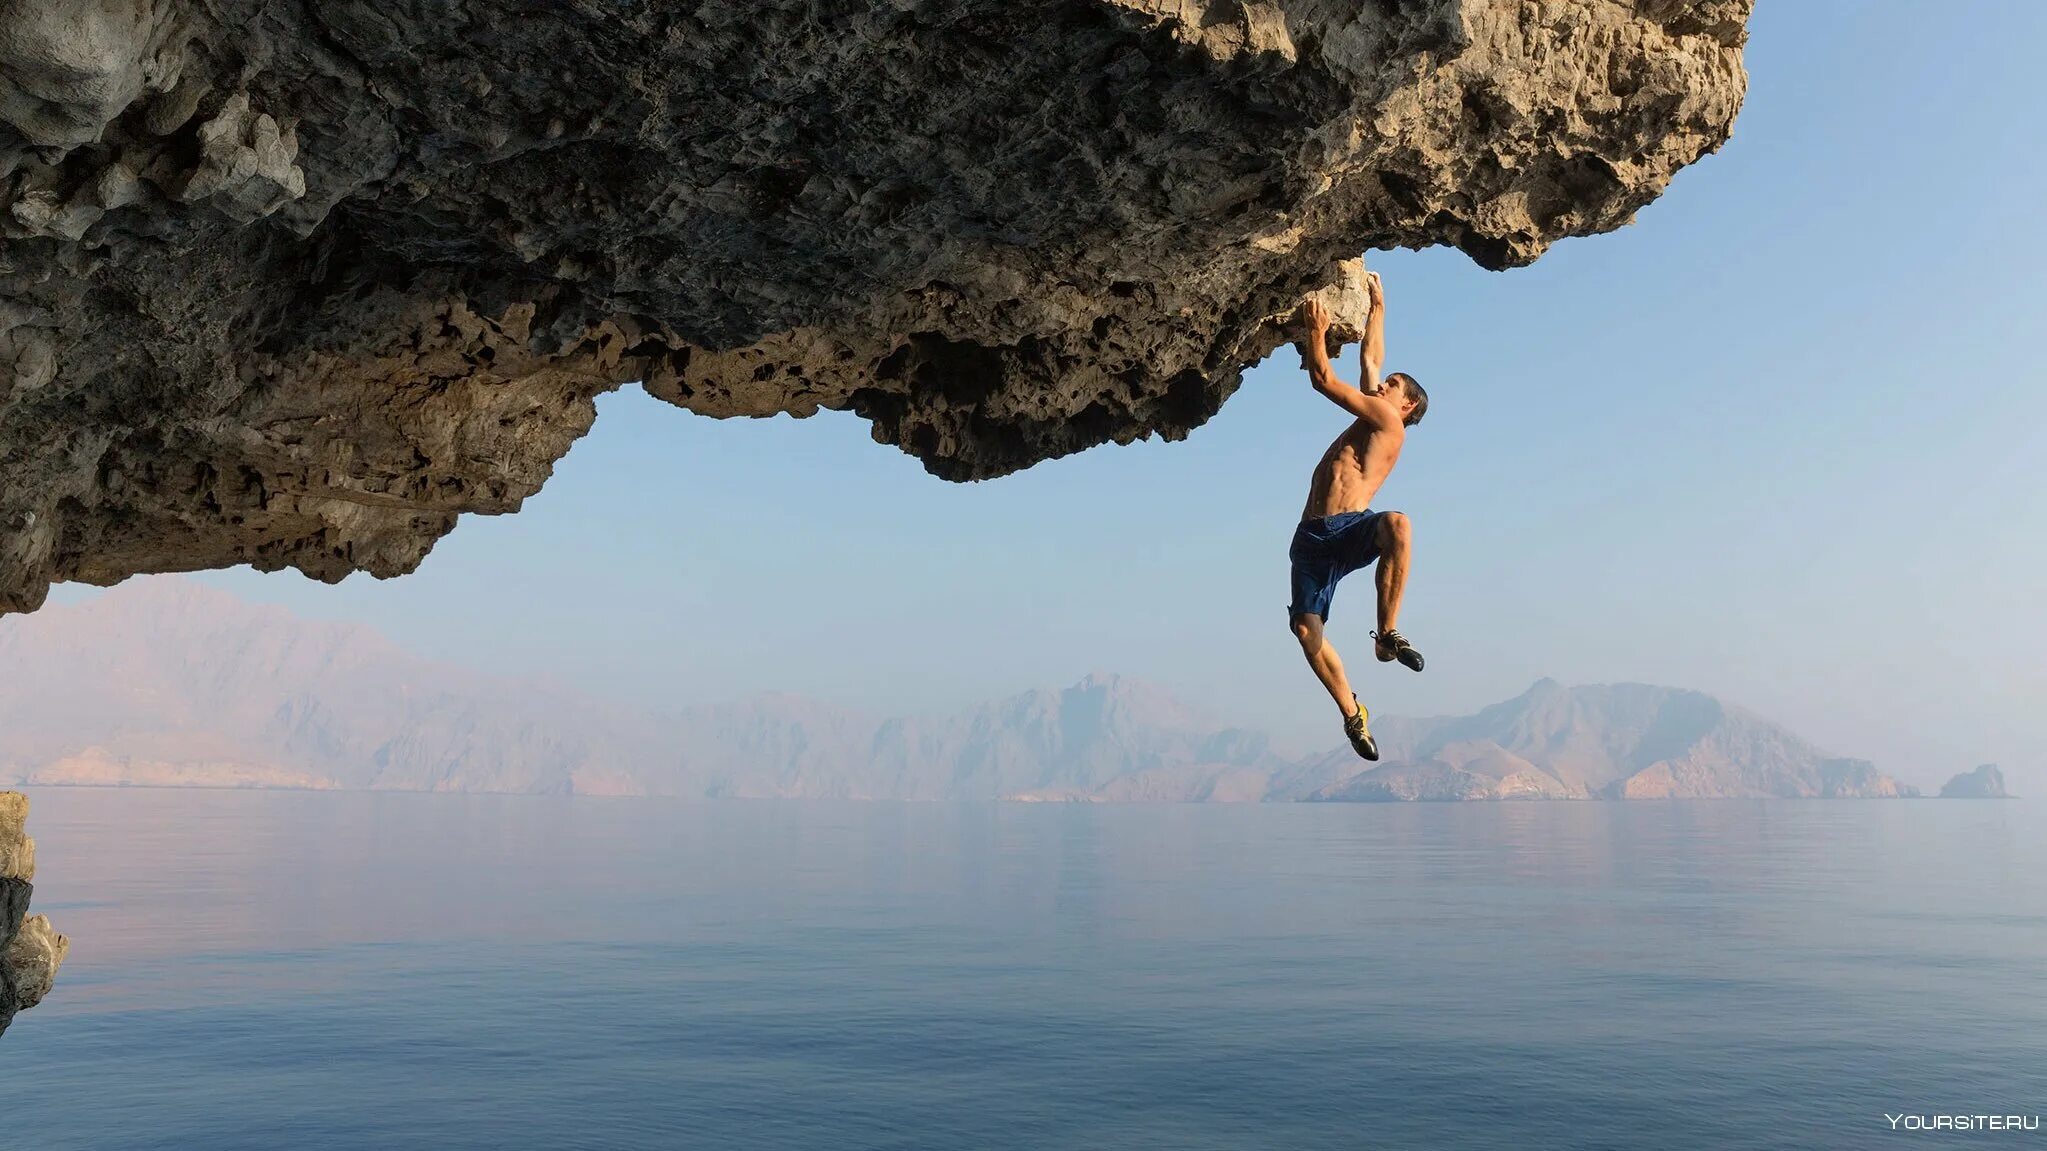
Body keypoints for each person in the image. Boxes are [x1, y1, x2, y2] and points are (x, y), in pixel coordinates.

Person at [1289, 273, 1429, 761]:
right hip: (1310, 538)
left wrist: (1316, 331)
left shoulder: (1389, 421)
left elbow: (1323, 378)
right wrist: (1378, 305)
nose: (1381, 383)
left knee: (1398, 524)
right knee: (1307, 633)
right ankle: (1353, 715)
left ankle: (1387, 632)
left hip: (1348, 529)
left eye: (1391, 386)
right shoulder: (1375, 412)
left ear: (1405, 405)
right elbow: (1372, 359)